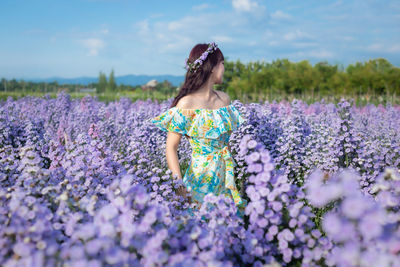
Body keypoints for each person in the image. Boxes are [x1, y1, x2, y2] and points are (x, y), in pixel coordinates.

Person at [149, 42, 247, 217]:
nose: (224, 68)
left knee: (228, 230)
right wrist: (179, 185)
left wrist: (232, 181)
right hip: (200, 177)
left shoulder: (224, 100)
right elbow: (171, 148)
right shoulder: (187, 103)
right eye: (222, 63)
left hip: (224, 178)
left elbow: (226, 144)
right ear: (211, 67)